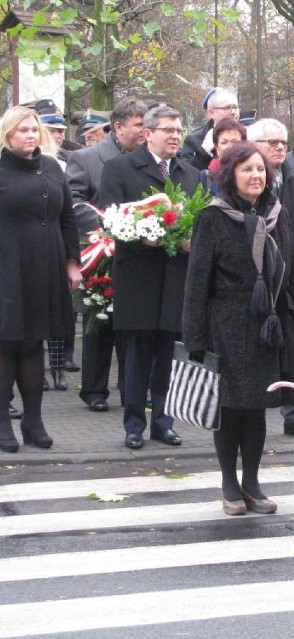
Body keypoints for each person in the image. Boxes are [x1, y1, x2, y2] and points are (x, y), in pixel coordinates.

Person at [183, 142, 294, 515]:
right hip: (226, 324)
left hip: (267, 325)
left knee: (257, 407)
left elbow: (290, 270)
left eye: (261, 170)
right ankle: (229, 483)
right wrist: (195, 338)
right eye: (247, 169)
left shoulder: (276, 213)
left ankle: (252, 482)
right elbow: (197, 282)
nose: (256, 176)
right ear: (230, 174)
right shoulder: (212, 217)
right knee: (229, 408)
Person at [97, 105, 201, 450]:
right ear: (148, 134)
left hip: (175, 277)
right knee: (136, 355)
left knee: (168, 356)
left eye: (178, 130)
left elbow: (201, 218)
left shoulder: (190, 174)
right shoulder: (120, 169)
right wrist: (140, 234)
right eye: (168, 130)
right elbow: (109, 219)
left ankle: (164, 421)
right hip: (139, 277)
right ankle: (133, 424)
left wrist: (190, 240)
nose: (175, 136)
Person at [0, 105, 82, 452]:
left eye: (34, 129)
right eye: (23, 130)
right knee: (6, 344)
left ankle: (34, 421)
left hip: (44, 265)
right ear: (8, 134)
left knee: (35, 343)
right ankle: (3, 424)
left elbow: (67, 217)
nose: (31, 135)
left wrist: (72, 261)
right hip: (6, 266)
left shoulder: (51, 166)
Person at [66, 97, 148, 412]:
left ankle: (132, 390)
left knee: (134, 326)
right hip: (101, 253)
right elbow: (72, 202)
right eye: (140, 125)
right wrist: (108, 226)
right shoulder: (86, 159)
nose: (145, 131)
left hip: (139, 253)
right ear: (118, 126)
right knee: (98, 325)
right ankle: (95, 390)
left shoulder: (149, 159)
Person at [248, 118, 294, 439]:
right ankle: (252, 414)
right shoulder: (246, 179)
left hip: (291, 280)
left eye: (283, 143)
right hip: (257, 280)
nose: (278, 148)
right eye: (271, 142)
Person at [178, 87, 240, 171]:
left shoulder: (248, 134)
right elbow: (187, 174)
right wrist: (204, 151)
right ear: (211, 112)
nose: (233, 112)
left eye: (235, 108)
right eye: (227, 108)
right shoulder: (194, 140)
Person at [199, 119, 247, 195]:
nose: (230, 147)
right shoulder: (205, 177)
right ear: (216, 146)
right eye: (224, 142)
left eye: (235, 142)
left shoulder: (252, 173)